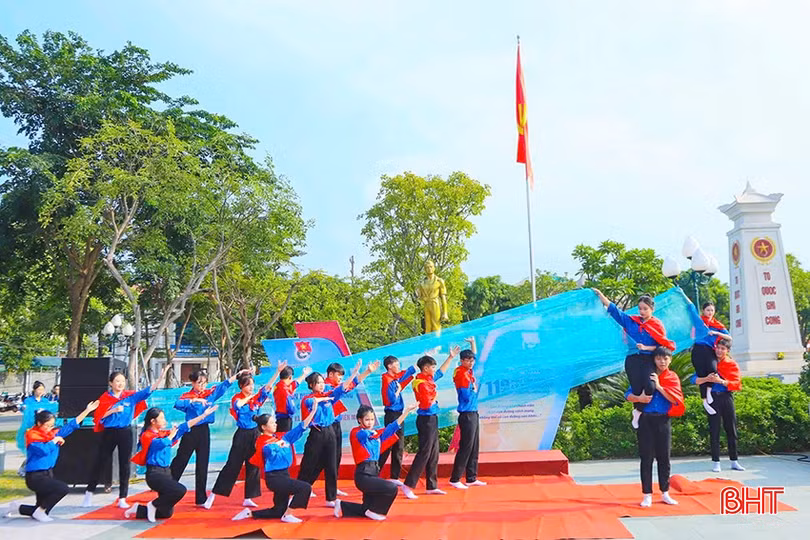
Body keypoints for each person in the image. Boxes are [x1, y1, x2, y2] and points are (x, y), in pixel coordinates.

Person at [84, 362, 173, 508]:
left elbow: (149, 390)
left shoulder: (130, 397)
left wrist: (162, 375)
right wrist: (113, 411)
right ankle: (89, 493)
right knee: (102, 461)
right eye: (117, 381)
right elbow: (99, 417)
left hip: (125, 431)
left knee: (125, 464)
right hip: (109, 432)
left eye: (122, 381)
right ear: (111, 383)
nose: (120, 384)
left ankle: (122, 498)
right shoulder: (105, 398)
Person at [231, 396, 331, 523]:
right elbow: (268, 451)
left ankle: (249, 513)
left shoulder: (281, 438)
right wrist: (279, 445)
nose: (276, 424)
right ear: (263, 427)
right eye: (272, 423)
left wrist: (312, 412)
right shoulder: (261, 441)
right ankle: (288, 515)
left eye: (275, 422)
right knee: (305, 488)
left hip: (284, 475)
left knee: (278, 510)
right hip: (274, 478)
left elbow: (300, 428)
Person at [297, 360, 379, 506]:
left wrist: (358, 373)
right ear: (311, 385)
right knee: (310, 462)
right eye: (318, 383)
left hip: (330, 431)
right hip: (316, 432)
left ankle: (331, 497)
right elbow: (314, 402)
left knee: (331, 462)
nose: (322, 385)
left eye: (322, 382)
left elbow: (344, 388)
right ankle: (298, 492)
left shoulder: (330, 393)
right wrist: (326, 397)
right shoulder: (309, 399)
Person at [204, 364, 284, 509]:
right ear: (241, 386)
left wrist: (277, 372)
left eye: (253, 385)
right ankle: (213, 495)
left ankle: (249, 497)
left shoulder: (256, 399)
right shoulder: (237, 398)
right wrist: (252, 396)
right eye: (248, 385)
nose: (251, 388)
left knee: (253, 466)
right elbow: (239, 405)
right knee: (232, 466)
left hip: (255, 434)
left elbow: (267, 387)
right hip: (242, 435)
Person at [594, 289, 676, 429]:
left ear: (652, 309)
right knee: (637, 390)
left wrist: (646, 348)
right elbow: (615, 311)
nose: (642, 311)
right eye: (640, 308)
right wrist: (601, 296)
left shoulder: (657, 325)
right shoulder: (632, 321)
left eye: (645, 309)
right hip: (632, 360)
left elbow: (664, 347)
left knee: (650, 386)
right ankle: (638, 411)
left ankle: (639, 410)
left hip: (648, 359)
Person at [6, 400, 99, 522]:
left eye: (51, 425)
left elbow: (71, 425)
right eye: (47, 425)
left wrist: (87, 411)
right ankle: (38, 512)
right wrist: (54, 441)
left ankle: (17, 508)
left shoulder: (52, 434)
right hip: (35, 476)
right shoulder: (32, 436)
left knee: (42, 508)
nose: (49, 428)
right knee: (62, 489)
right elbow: (43, 450)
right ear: (39, 423)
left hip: (48, 473)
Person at [170, 368, 251, 506]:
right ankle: (169, 489)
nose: (202, 386)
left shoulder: (209, 394)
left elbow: (223, 386)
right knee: (180, 460)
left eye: (204, 383)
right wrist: (194, 400)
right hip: (190, 430)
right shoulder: (187, 396)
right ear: (193, 383)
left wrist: (237, 375)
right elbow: (177, 404)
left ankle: (201, 498)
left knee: (202, 463)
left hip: (204, 431)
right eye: (199, 383)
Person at [126, 405, 217, 522]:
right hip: (155, 474)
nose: (165, 421)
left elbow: (185, 426)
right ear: (153, 421)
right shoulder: (146, 435)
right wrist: (170, 437)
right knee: (180, 490)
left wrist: (203, 416)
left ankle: (139, 509)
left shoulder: (164, 434)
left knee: (166, 513)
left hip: (166, 472)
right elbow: (160, 443)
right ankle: (152, 505)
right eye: (162, 418)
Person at [334, 403, 419, 521]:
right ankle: (376, 511)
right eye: (367, 419)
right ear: (360, 420)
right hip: (363, 475)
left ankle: (342, 505)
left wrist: (407, 411)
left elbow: (392, 427)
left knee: (365, 509)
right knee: (392, 488)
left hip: (374, 472)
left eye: (372, 419)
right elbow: (363, 434)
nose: (370, 422)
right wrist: (371, 433)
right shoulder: (356, 433)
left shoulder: (377, 435)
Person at [626, 346, 684, 508]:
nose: (662, 361)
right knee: (646, 457)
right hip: (646, 419)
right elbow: (628, 394)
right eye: (659, 358)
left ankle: (665, 492)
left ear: (670, 360)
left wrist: (658, 386)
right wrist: (639, 398)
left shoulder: (672, 377)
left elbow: (675, 399)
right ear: (654, 360)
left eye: (665, 358)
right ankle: (647, 494)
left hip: (663, 420)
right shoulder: (645, 375)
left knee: (664, 457)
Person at [401, 346, 460, 499]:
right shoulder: (421, 382)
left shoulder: (428, 378)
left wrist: (450, 357)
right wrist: (436, 397)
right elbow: (427, 404)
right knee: (425, 452)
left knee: (434, 452)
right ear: (425, 368)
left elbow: (441, 372)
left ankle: (431, 485)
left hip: (432, 418)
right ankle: (408, 485)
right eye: (432, 367)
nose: (434, 369)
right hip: (426, 419)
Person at [692, 338, 745, 473]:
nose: (719, 351)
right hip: (712, 398)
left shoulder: (731, 364)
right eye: (718, 348)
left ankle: (734, 460)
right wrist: (707, 379)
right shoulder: (708, 362)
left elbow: (737, 384)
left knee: (731, 429)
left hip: (726, 397)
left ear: (727, 351)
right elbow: (694, 379)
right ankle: (716, 462)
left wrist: (721, 381)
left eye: (723, 349)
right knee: (714, 430)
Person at [449, 337, 486, 489]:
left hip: (473, 412)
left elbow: (474, 355)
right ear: (462, 361)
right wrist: (474, 389)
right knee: (466, 446)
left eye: (472, 360)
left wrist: (472, 343)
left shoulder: (468, 371)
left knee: (474, 446)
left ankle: (471, 477)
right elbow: (465, 395)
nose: (471, 362)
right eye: (468, 360)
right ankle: (455, 478)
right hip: (467, 414)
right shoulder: (462, 374)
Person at [377, 354, 417, 485]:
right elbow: (389, 401)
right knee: (387, 444)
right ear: (389, 366)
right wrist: (398, 390)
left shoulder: (394, 378)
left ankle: (395, 476)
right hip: (392, 415)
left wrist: (418, 364)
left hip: (399, 414)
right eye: (397, 364)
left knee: (399, 446)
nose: (399, 367)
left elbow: (404, 376)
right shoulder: (387, 380)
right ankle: (373, 473)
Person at [324, 362, 357, 496]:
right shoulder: (325, 386)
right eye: (339, 376)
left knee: (337, 456)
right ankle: (305, 487)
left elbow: (352, 384)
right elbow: (343, 388)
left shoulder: (336, 386)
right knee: (325, 458)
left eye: (343, 377)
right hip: (327, 425)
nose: (341, 379)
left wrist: (367, 371)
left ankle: (333, 487)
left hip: (336, 423)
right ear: (331, 374)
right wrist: (354, 374)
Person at [692, 302, 730, 415]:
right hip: (698, 349)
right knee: (701, 374)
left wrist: (716, 332)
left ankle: (708, 391)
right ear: (703, 310)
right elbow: (691, 313)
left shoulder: (716, 324)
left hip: (709, 350)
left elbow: (729, 337)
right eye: (707, 310)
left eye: (712, 310)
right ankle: (704, 401)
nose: (709, 312)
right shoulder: (699, 322)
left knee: (713, 370)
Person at [16, 381, 59, 477]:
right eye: (39, 389)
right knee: (32, 449)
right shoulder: (29, 401)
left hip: (43, 430)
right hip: (31, 428)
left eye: (42, 390)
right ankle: (24, 468)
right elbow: (25, 411)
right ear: (34, 390)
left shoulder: (45, 401)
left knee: (41, 449)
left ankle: (26, 468)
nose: (40, 391)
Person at [273, 365, 312, 433]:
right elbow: (291, 408)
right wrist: (294, 410)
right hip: (285, 419)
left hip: (279, 418)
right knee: (285, 440)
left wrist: (303, 375)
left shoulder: (278, 385)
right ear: (290, 377)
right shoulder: (286, 391)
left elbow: (295, 383)